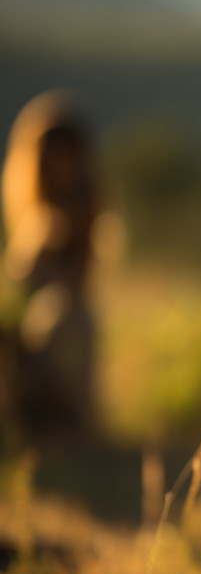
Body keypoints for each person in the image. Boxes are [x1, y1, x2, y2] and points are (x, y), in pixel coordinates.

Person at [1, 92, 106, 441]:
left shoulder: (86, 212)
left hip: (61, 347)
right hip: (21, 351)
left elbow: (77, 288)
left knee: (64, 319)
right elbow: (16, 287)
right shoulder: (31, 218)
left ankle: (66, 422)